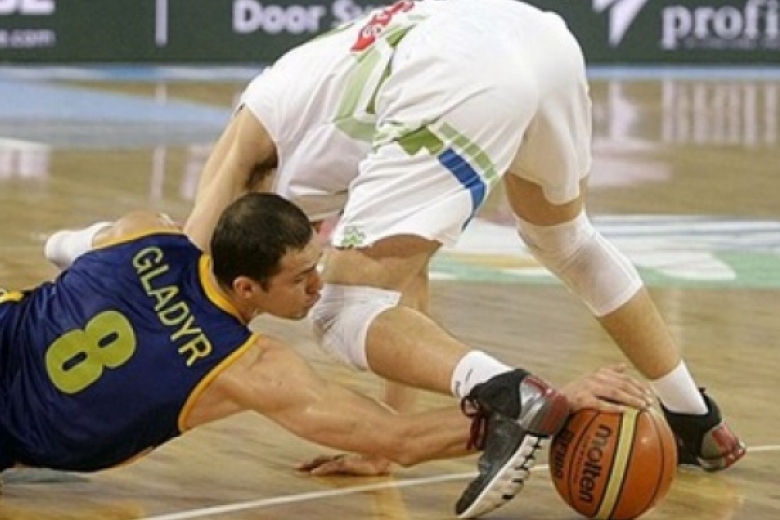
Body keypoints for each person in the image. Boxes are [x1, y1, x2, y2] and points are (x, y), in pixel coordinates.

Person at [185, 0, 744, 504]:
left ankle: (511, 396)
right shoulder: (304, 139)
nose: (301, 291)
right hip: (538, 39)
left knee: (340, 310)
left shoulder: (243, 160)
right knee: (565, 239)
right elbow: (406, 282)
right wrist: (385, 440)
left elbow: (184, 281)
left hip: (452, 72)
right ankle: (695, 419)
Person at [8, 193, 650, 518]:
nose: (319, 287)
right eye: (301, 279)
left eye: (316, 265)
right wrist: (554, 404)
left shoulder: (141, 231)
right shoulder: (249, 368)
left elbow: (64, 245)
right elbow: (396, 439)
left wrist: (82, 275)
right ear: (246, 289)